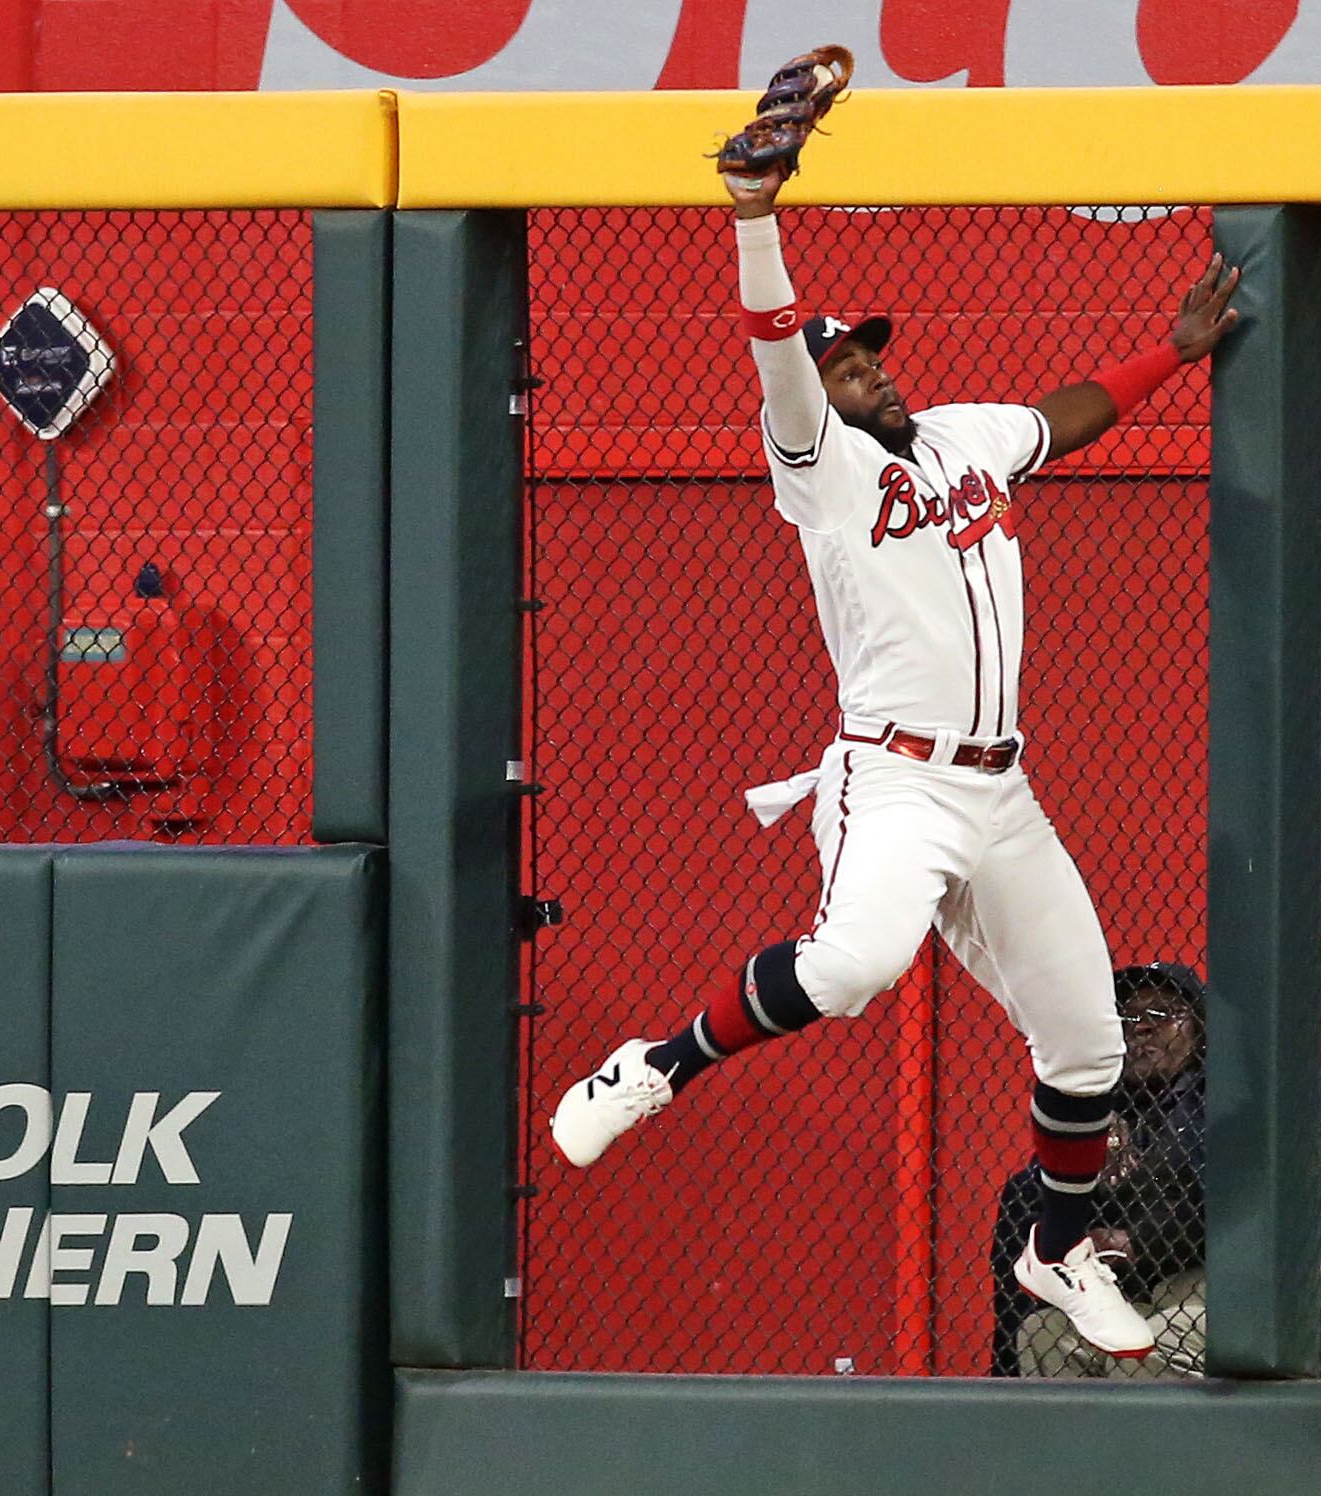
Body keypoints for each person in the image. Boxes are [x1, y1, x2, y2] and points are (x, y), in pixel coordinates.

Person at [546, 139, 1241, 1361]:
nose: (859, 369)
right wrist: (756, 221)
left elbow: (1065, 419)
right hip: (895, 776)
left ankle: (1059, 1250)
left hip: (1001, 789)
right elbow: (776, 348)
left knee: (1085, 1043)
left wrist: (1170, 356)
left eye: (866, 352)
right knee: (857, 965)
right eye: (838, 364)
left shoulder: (964, 434)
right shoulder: (819, 467)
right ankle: (652, 1064)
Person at [988, 962, 1321, 1379]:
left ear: (1198, 1028)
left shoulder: (1254, 1102)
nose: (1142, 1029)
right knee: (1040, 1333)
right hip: (1131, 1299)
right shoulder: (1100, 1115)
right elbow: (1027, 1210)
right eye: (1129, 1017)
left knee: (1149, 1347)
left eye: (1161, 1015)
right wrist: (1086, 1188)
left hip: (1233, 1299)